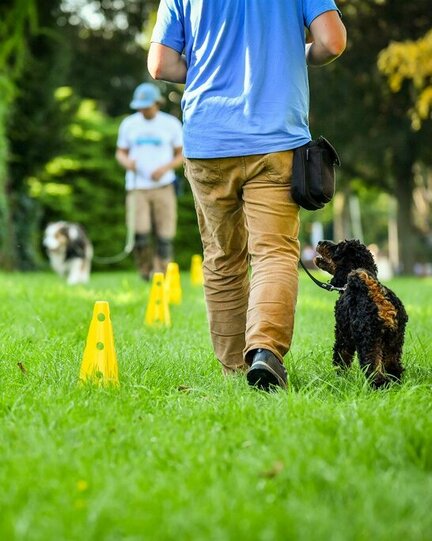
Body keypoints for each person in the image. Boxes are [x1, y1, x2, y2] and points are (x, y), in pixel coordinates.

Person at [148, 1, 346, 390]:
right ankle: (265, 352)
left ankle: (235, 372)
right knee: (273, 252)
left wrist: (213, 70)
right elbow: (333, 42)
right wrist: (294, 54)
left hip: (208, 142)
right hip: (275, 141)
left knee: (223, 258)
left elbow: (160, 65)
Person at [115, 82, 183, 280]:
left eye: (147, 106)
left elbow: (181, 154)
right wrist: (128, 162)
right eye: (140, 107)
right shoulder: (129, 124)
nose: (143, 110)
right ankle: (145, 272)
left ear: (157, 103)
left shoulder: (170, 124)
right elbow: (120, 152)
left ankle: (161, 273)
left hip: (164, 186)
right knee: (140, 233)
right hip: (137, 186)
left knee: (165, 234)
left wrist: (165, 168)